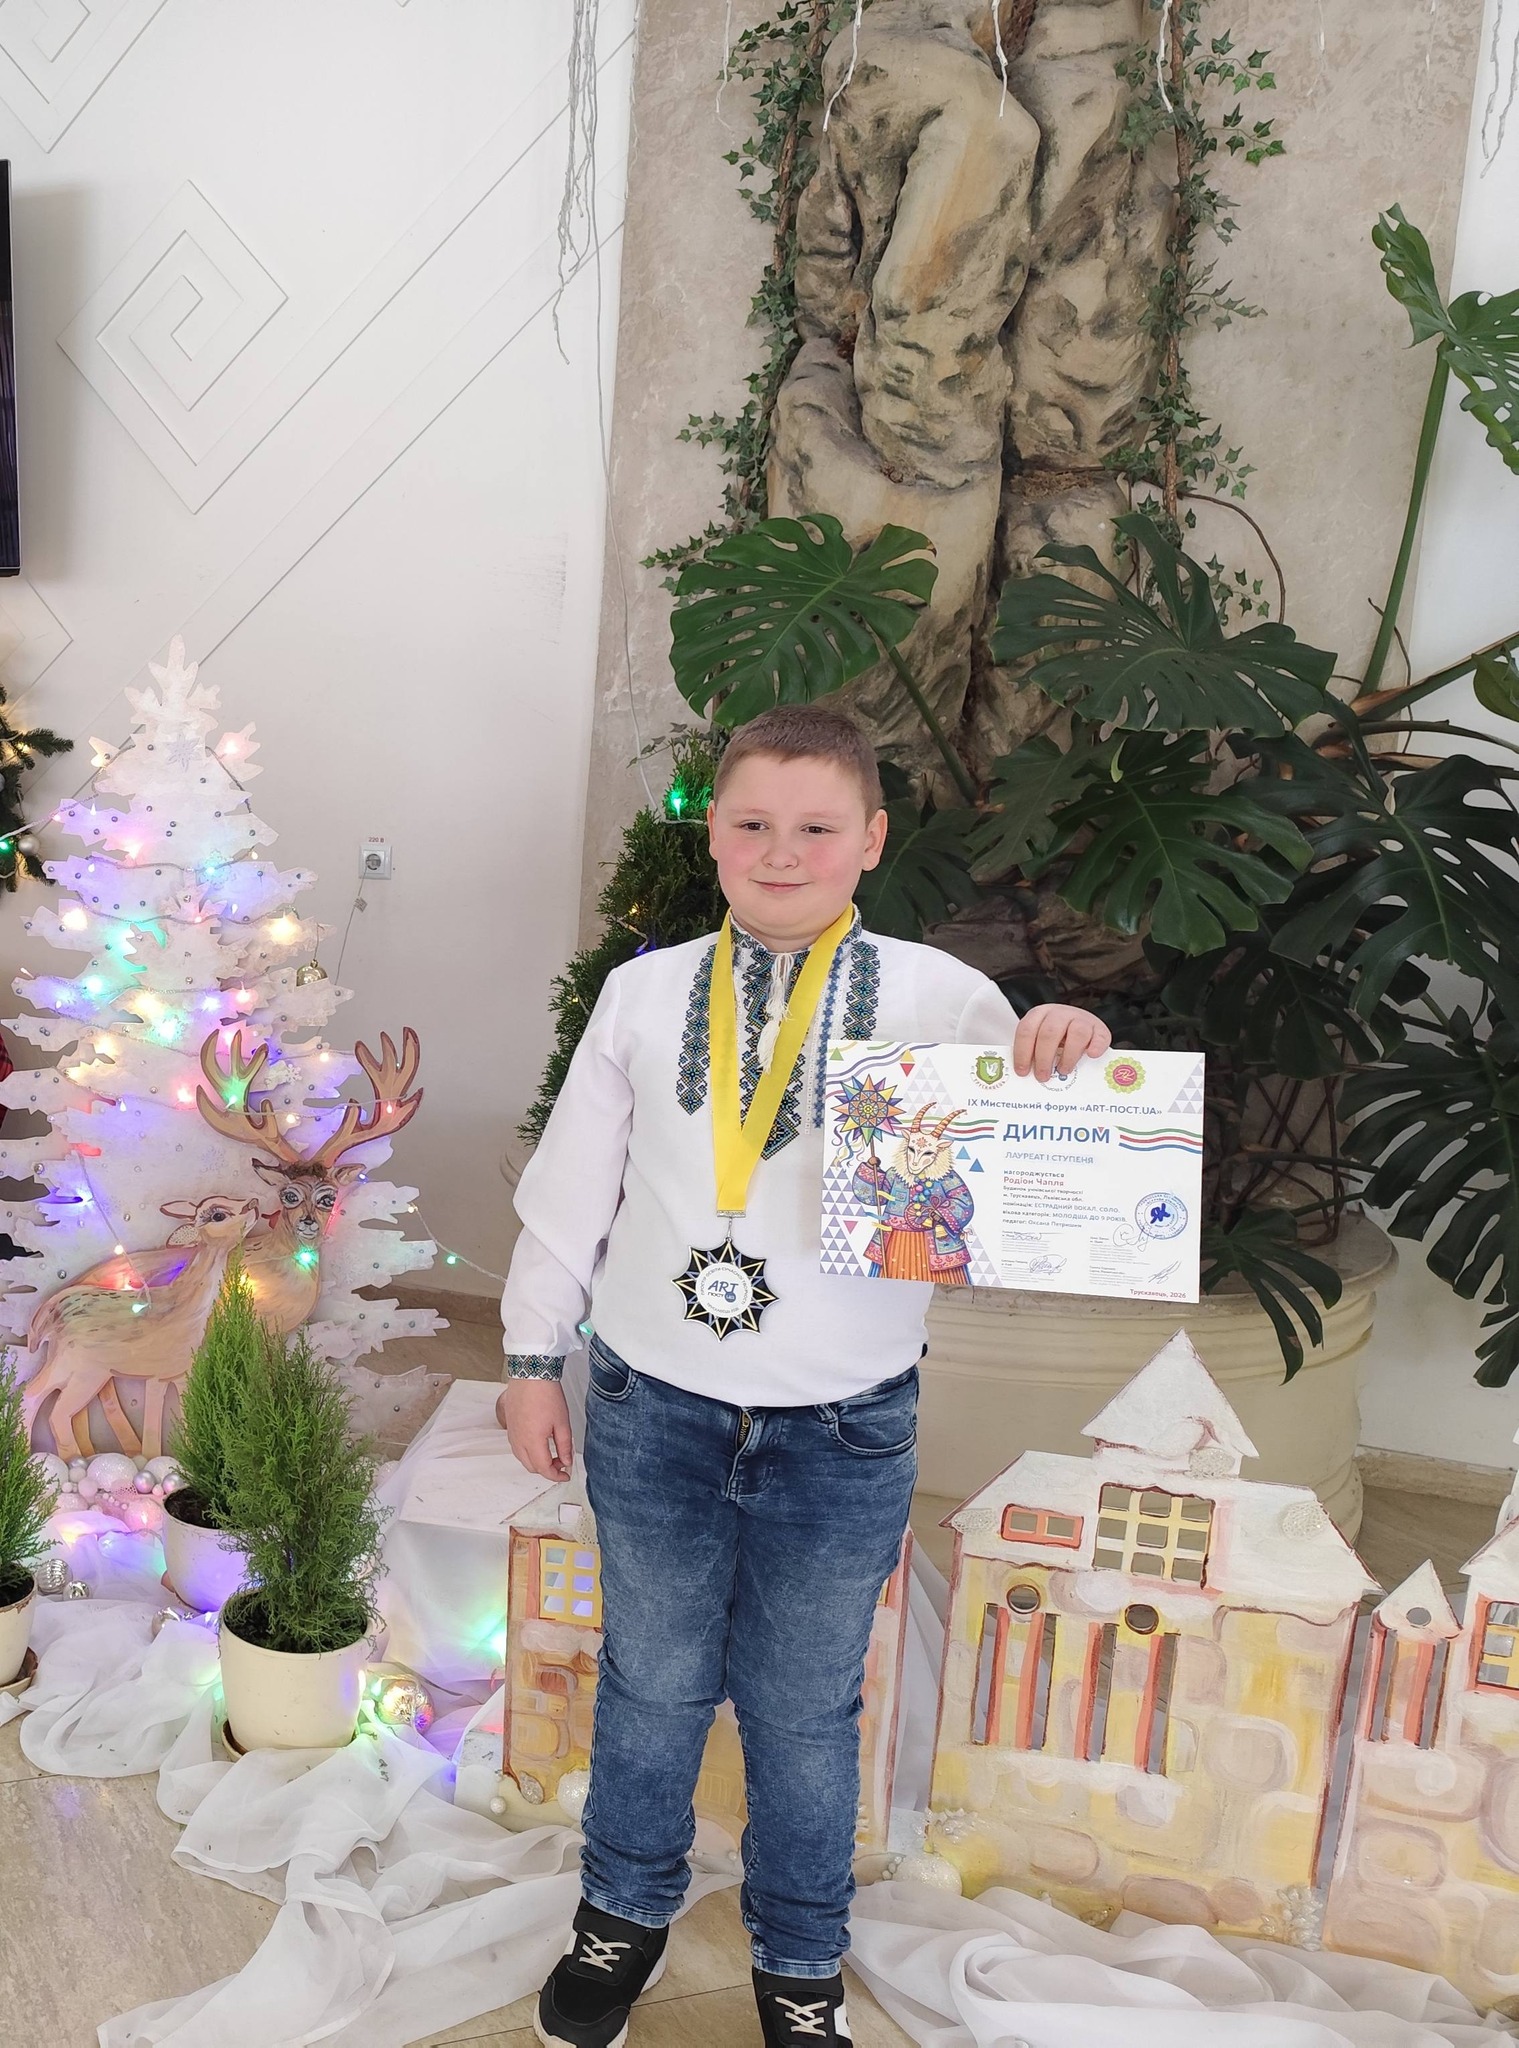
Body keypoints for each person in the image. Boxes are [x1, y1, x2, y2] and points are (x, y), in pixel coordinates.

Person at [497, 704, 1111, 2048]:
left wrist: (1066, 1042)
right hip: (652, 1406)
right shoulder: (644, 993)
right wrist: (534, 1357)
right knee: (653, 1678)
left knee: (804, 1706)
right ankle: (621, 1912)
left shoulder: (945, 996)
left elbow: (1036, 1137)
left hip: (843, 1426)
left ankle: (799, 1955)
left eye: (817, 827)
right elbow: (570, 1195)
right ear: (712, 835)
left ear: (872, 839)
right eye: (753, 823)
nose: (783, 852)